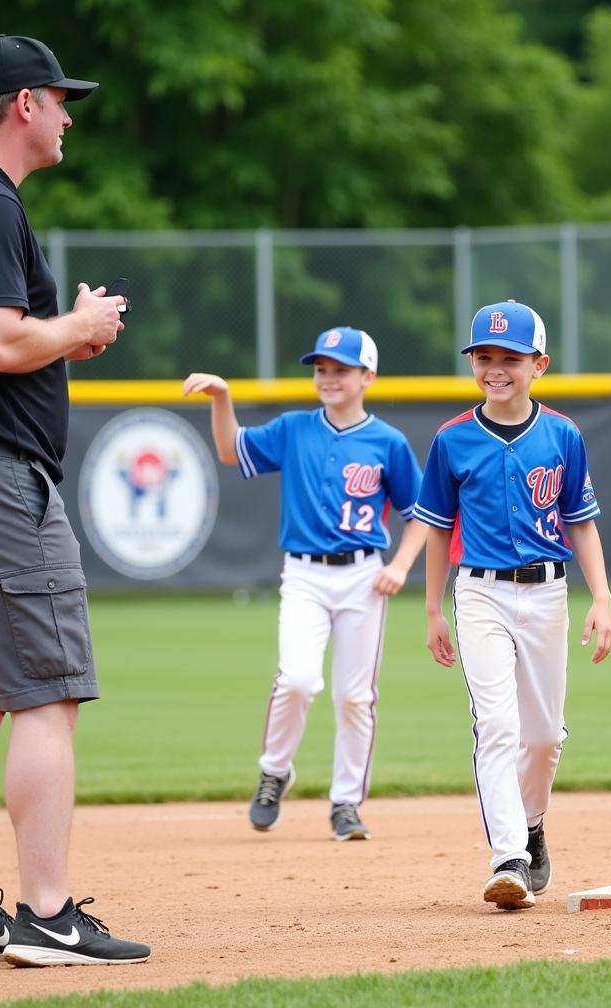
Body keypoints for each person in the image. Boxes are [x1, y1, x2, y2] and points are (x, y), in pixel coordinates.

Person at [0, 36, 149, 966]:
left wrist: (59, 338)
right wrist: (80, 324)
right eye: (62, 100)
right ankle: (48, 914)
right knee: (46, 695)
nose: (70, 115)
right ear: (23, 104)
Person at [183, 327, 426, 839]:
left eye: (341, 369)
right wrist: (223, 397)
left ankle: (345, 804)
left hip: (364, 575)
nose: (329, 377)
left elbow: (420, 513)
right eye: (321, 368)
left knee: (355, 697)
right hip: (304, 576)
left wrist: (400, 565)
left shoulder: (388, 442)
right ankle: (275, 771)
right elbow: (231, 451)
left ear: (368, 376)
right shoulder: (294, 428)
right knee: (296, 679)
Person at [415, 299, 611, 910]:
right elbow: (435, 528)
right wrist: (430, 610)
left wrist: (601, 596)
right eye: (484, 356)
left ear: (539, 364)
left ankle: (532, 825)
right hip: (479, 593)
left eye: (511, 358)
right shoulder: (451, 440)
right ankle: (508, 857)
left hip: (548, 592)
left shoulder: (562, 434)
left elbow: (580, 522)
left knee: (545, 737)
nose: (496, 368)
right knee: (497, 726)